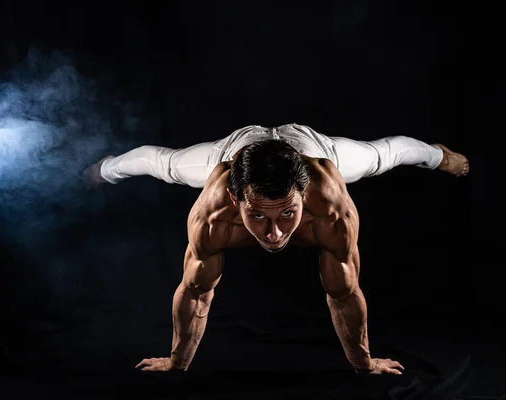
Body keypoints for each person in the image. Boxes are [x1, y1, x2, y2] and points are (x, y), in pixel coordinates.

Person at [88, 123, 469, 375]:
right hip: (235, 150)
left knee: (385, 155)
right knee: (166, 164)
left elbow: (344, 293)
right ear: (236, 199)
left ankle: (439, 154)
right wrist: (177, 363)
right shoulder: (213, 215)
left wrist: (364, 364)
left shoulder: (333, 211)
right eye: (257, 216)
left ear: (305, 196)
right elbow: (196, 292)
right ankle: (105, 169)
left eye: (288, 214)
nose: (273, 233)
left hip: (312, 147)